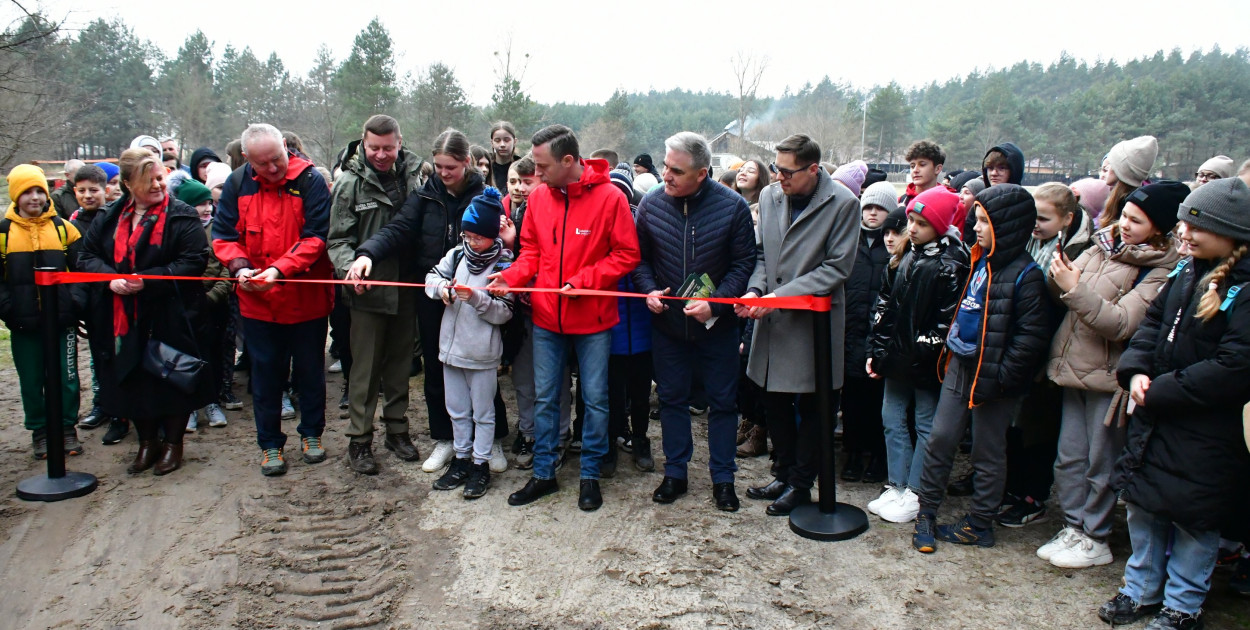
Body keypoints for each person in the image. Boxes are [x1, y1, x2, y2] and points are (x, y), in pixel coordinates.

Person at [1098, 177, 1250, 630]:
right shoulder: (1186, 272)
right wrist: (1137, 372)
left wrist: (1161, 389)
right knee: (1144, 506)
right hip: (1155, 417)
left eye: (1195, 226)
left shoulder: (1243, 289)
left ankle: (1182, 605)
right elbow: (1151, 326)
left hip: (1205, 430)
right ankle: (1140, 589)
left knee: (1192, 520)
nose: (1184, 232)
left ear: (1231, 232)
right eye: (1183, 223)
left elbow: (1235, 365)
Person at [488, 124, 641, 512]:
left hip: (593, 321)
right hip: (546, 319)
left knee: (596, 398)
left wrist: (585, 281)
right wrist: (511, 277)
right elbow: (531, 253)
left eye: (542, 167)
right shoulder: (539, 199)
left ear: (568, 161)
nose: (535, 176)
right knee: (545, 399)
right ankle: (544, 474)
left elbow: (626, 254)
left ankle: (590, 475)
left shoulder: (610, 199)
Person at [1040, 180, 1185, 570]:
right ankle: (1073, 526)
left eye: (1137, 221)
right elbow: (1069, 288)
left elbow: (1122, 323)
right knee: (1069, 457)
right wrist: (1062, 279)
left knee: (1100, 463)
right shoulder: (1102, 245)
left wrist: (1073, 287)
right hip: (1072, 369)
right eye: (1125, 215)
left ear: (1159, 228)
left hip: (1109, 376)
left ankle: (1096, 535)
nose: (1125, 224)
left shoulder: (1160, 270)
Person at [348, 128, 510, 475]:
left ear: (467, 162)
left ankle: (491, 438)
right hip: (435, 294)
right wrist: (366, 255)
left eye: (450, 167)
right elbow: (398, 229)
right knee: (439, 371)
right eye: (438, 166)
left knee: (482, 371)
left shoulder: (484, 196)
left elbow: (505, 240)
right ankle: (446, 438)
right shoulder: (425, 195)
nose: (443, 173)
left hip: (480, 294)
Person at [910, 183, 1052, 553]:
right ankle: (927, 511)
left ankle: (980, 523)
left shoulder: (1027, 275)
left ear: (1005, 227)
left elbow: (1030, 340)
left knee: (987, 452)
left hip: (994, 379)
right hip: (961, 364)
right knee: (940, 438)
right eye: (975, 220)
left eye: (984, 222)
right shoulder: (980, 259)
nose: (976, 228)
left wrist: (1000, 381)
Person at [735, 134, 860, 516]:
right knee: (773, 402)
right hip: (771, 322)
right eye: (776, 168)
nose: (779, 178)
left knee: (812, 406)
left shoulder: (843, 204)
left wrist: (779, 297)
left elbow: (836, 268)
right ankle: (783, 471)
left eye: (787, 172)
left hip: (811, 328)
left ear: (813, 169)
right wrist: (756, 291)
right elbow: (761, 255)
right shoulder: (770, 198)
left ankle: (801, 484)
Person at [633, 132, 756, 512]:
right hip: (668, 327)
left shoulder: (732, 207)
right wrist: (650, 290)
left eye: (676, 170)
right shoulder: (651, 205)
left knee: (722, 402)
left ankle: (723, 479)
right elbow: (639, 260)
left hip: (716, 329)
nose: (665, 175)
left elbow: (743, 264)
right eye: (665, 165)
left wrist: (715, 305)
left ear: (702, 173)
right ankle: (676, 473)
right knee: (671, 399)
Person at [78, 148, 215, 475]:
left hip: (171, 313)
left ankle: (173, 444)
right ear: (127, 183)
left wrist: (150, 281)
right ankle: (147, 442)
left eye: (160, 178)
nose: (157, 185)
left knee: (172, 379)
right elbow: (86, 257)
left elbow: (194, 261)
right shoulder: (109, 215)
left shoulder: (180, 214)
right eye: (148, 180)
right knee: (131, 378)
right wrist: (111, 279)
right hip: (122, 315)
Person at [212, 124, 335, 476]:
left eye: (277, 158)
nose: (272, 168)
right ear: (248, 159)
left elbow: (316, 238)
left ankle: (312, 434)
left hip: (305, 299)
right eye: (263, 163)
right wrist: (240, 268)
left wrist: (279, 271)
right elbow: (222, 236)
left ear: (285, 146)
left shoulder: (310, 180)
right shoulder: (238, 184)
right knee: (265, 377)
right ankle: (269, 443)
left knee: (311, 372)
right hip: (257, 303)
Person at [328, 115, 427, 475]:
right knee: (365, 371)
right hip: (367, 290)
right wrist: (349, 268)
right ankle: (359, 439)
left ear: (399, 142)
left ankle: (397, 431)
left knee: (401, 365)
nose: (381, 155)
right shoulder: (349, 184)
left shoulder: (417, 176)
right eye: (374, 148)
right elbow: (337, 239)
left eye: (388, 147)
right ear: (363, 144)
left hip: (408, 286)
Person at [866, 186, 969, 523]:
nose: (912, 228)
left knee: (925, 424)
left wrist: (917, 354)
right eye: (910, 219)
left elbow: (943, 324)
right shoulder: (908, 257)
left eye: (921, 223)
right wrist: (878, 351)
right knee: (891, 419)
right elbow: (887, 309)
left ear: (939, 225)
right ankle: (896, 484)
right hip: (897, 360)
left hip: (925, 365)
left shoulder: (951, 265)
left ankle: (916, 489)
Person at [424, 188, 515, 499]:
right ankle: (461, 459)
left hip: (483, 355)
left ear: (493, 234)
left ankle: (481, 464)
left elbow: (505, 313)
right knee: (457, 411)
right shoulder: (456, 255)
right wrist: (442, 291)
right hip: (451, 352)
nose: (472, 242)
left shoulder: (504, 264)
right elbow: (430, 279)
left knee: (483, 412)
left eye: (479, 236)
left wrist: (478, 299)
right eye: (468, 234)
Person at [2, 164, 83, 459]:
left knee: (67, 376)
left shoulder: (64, 229)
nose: (35, 198)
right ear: (16, 195)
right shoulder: (3, 234)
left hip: (63, 322)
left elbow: (81, 270)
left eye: (39, 191)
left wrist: (74, 303)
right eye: (27, 192)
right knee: (32, 378)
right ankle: (40, 431)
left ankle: (66, 428)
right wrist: (9, 310)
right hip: (23, 323)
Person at [504, 154, 575, 470]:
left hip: (553, 309)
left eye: (527, 181)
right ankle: (528, 431)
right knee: (523, 376)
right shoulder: (514, 214)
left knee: (554, 379)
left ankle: (559, 435)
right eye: (515, 182)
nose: (520, 188)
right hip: (521, 311)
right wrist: (510, 243)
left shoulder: (558, 210)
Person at [839, 180, 896, 484]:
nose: (873, 213)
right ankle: (852, 451)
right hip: (850, 329)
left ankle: (876, 455)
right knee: (851, 398)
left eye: (880, 208)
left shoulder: (894, 247)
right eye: (868, 207)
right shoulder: (849, 240)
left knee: (877, 399)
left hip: (879, 335)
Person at [606, 165, 654, 473]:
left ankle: (640, 440)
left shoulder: (643, 232)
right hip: (608, 328)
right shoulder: (597, 233)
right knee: (610, 394)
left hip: (643, 328)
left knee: (640, 394)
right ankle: (609, 443)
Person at [176, 179, 230, 431]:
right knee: (186, 355)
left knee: (212, 354)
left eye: (209, 203)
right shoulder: (176, 230)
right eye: (200, 204)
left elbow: (226, 269)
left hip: (213, 306)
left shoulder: (219, 229)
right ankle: (188, 407)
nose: (207, 208)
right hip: (183, 307)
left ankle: (212, 401)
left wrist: (212, 297)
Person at [1102, 135, 1158, 230]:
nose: (1106, 168)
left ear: (1120, 169)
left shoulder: (1127, 203)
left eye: (1111, 163)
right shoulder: (1135, 197)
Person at [899, 141, 946, 206]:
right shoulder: (900, 202)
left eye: (922, 165)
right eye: (912, 166)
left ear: (937, 169)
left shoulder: (951, 204)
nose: (915, 170)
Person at [488, 121, 521, 191]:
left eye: (507, 140)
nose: (502, 144)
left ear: (514, 141)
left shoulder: (521, 167)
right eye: (497, 140)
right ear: (492, 143)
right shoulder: (486, 167)